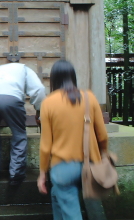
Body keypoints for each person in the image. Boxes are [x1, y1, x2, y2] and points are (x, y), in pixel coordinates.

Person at [37, 60, 108, 219]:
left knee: (70, 211)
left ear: (54, 79)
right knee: (57, 195)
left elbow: (45, 146)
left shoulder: (48, 103)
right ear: (73, 77)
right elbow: (102, 135)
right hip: (90, 165)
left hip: (63, 168)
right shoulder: (89, 97)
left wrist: (42, 173)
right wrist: (103, 154)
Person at [0, 62, 46, 185]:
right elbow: (39, 90)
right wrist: (39, 110)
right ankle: (15, 175)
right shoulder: (25, 69)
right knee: (19, 135)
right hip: (11, 98)